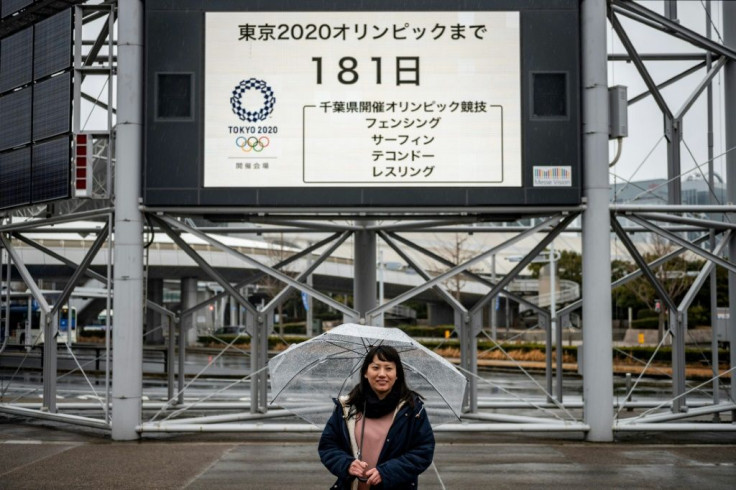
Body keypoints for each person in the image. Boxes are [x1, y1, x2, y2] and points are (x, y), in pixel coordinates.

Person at [318, 345, 435, 489]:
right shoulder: (347, 406)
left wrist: (387, 472)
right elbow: (328, 446)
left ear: (397, 374)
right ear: (366, 372)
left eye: (388, 368)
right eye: (375, 367)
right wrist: (347, 464)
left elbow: (423, 451)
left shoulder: (412, 410)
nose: (382, 374)